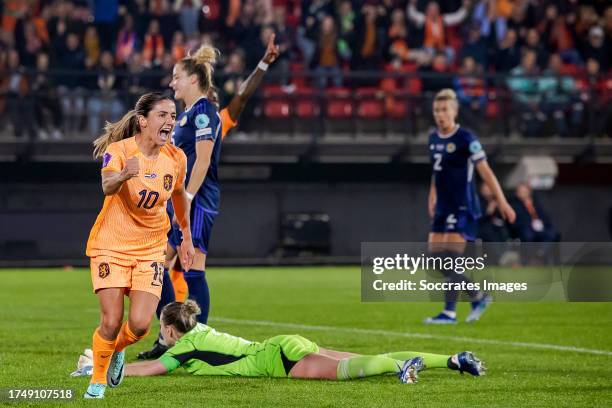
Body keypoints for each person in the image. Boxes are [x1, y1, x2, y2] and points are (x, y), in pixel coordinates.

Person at [138, 35, 281, 360]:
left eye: (176, 76)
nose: (171, 82)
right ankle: (168, 338)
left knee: (192, 269)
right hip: (177, 203)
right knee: (156, 267)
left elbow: (202, 159)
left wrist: (185, 198)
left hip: (196, 202)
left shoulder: (206, 114)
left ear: (192, 79)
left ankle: (196, 342)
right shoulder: (183, 118)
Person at [73, 300, 486, 385]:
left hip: (276, 359)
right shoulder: (199, 335)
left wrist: (100, 364)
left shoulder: (184, 347)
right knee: (362, 358)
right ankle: (450, 359)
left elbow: (150, 368)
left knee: (346, 373)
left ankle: (402, 368)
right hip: (283, 344)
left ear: (168, 330)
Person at [84, 92, 196, 399]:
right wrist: (123, 174)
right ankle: (97, 379)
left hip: (150, 248)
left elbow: (178, 198)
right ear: (143, 121)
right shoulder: (119, 150)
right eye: (162, 115)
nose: (170, 121)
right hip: (111, 245)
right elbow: (107, 185)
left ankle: (117, 350)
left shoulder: (176, 158)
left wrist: (185, 236)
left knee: (140, 325)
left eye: (173, 116)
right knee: (110, 321)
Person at [425, 89, 515, 325]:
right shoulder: (433, 138)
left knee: (449, 260)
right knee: (436, 260)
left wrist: (502, 201)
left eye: (445, 110)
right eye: (437, 110)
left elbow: (486, 172)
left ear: (454, 111)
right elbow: (437, 172)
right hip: (443, 206)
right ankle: (478, 296)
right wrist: (432, 195)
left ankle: (449, 313)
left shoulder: (466, 138)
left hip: (462, 206)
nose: (440, 114)